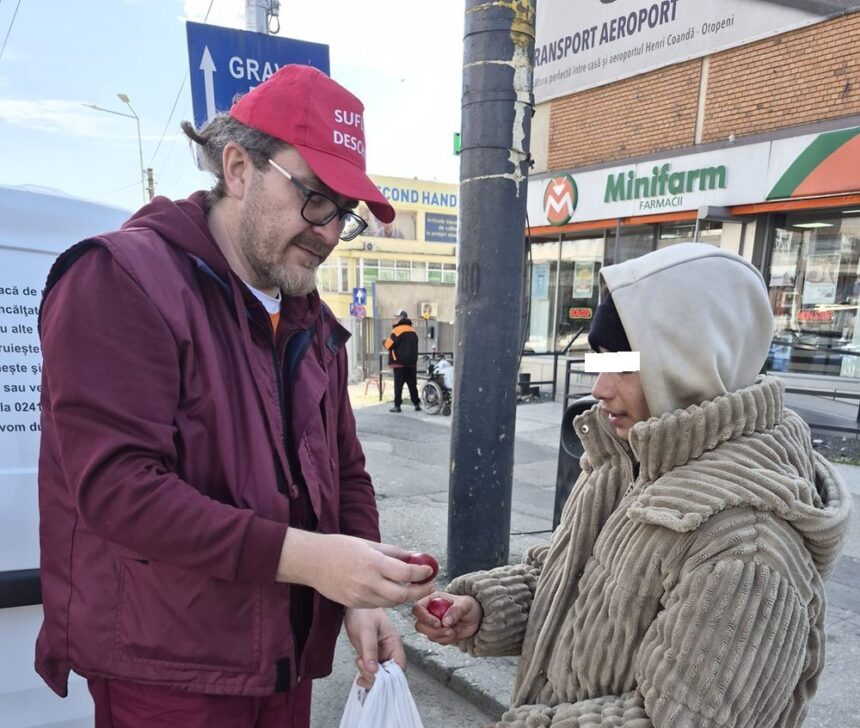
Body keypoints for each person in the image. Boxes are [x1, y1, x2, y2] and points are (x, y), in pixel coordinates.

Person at [35, 64, 436, 727]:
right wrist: (313, 561)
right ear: (239, 168)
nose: (330, 231)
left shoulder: (310, 319)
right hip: (169, 674)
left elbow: (346, 474)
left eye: (344, 212)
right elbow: (117, 489)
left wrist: (362, 594)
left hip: (281, 665)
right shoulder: (122, 280)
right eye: (315, 197)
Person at [413, 243, 852, 727]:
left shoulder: (748, 545)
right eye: (599, 360)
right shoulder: (627, 460)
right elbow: (571, 577)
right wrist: (484, 607)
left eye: (623, 364)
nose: (599, 388)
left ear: (693, 360)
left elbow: (679, 720)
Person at [383, 309, 421, 413]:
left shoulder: (396, 331)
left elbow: (390, 345)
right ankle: (417, 404)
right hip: (412, 363)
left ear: (401, 318)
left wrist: (384, 341)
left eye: (397, 317)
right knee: (412, 385)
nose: (395, 319)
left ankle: (397, 406)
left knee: (398, 386)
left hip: (399, 363)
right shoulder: (413, 331)